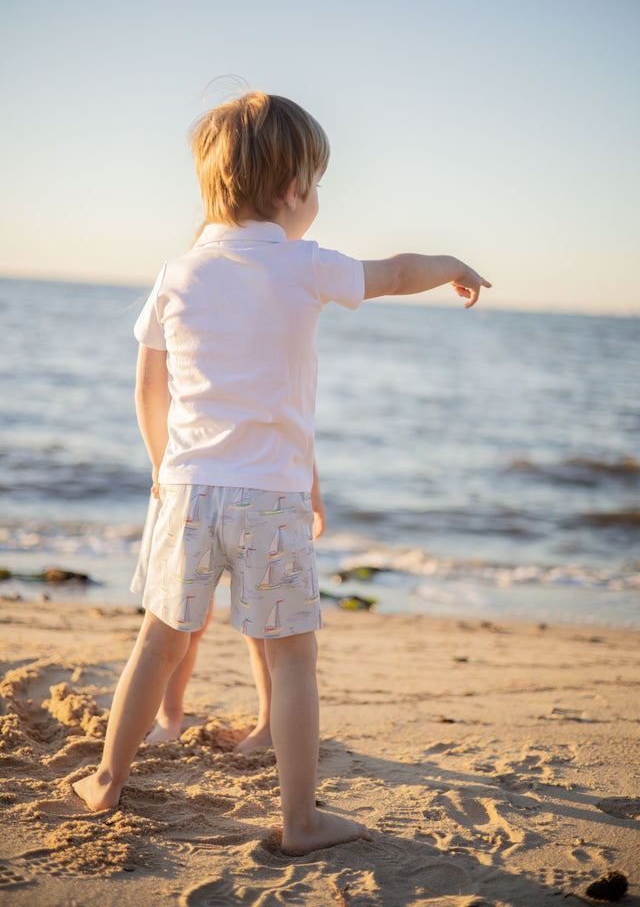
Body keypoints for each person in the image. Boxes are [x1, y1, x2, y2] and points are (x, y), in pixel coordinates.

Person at [72, 90, 490, 854]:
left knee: (158, 639)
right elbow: (395, 271)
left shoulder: (178, 272)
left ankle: (105, 781)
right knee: (293, 654)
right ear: (294, 188)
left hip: (191, 490)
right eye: (318, 184)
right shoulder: (307, 266)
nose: (317, 199)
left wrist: (163, 470)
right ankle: (298, 821)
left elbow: (148, 387)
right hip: (271, 500)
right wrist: (452, 264)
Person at [131, 464, 326, 750]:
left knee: (264, 624)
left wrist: (313, 490)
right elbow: (151, 415)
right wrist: (160, 464)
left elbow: (298, 426)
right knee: (179, 618)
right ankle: (169, 716)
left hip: (265, 487)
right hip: (191, 482)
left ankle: (269, 724)